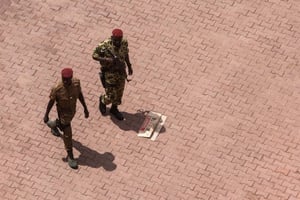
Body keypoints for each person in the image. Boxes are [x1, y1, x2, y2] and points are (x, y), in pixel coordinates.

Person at [43, 68, 89, 169]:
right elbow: (51, 102)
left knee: (64, 125)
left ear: (71, 78)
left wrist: (85, 108)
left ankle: (54, 124)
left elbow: (80, 95)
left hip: (72, 112)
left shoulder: (76, 83)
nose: (65, 81)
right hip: (63, 113)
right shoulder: (57, 88)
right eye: (64, 79)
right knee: (67, 134)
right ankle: (70, 156)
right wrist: (46, 114)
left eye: (67, 79)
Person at [92, 28, 133, 120]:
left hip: (121, 72)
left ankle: (114, 109)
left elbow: (126, 53)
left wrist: (129, 65)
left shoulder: (124, 42)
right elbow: (94, 55)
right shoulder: (104, 45)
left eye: (119, 40)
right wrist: (106, 59)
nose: (118, 42)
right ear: (112, 38)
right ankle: (103, 100)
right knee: (110, 96)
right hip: (110, 73)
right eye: (116, 41)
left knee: (119, 93)